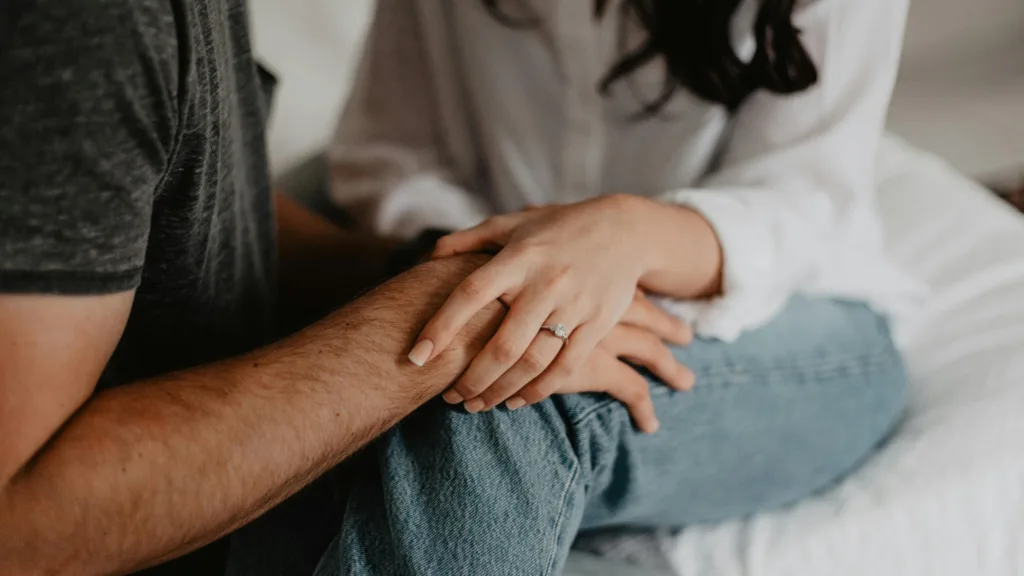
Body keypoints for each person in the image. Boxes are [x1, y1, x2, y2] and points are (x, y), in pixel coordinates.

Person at [0, 1, 706, 574]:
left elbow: (181, 200)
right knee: (515, 391)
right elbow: (17, 521)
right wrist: (455, 310)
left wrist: (424, 266)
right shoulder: (84, 27)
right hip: (167, 515)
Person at [322, 0, 924, 573]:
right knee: (486, 342)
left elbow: (807, 201)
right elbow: (390, 152)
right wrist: (513, 269)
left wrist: (625, 237)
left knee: (515, 383)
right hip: (481, 246)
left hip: (794, 303)